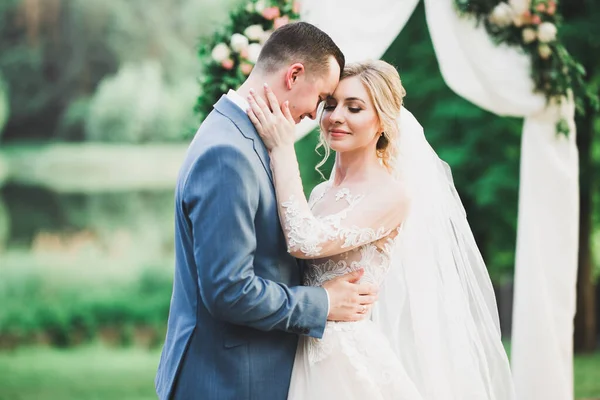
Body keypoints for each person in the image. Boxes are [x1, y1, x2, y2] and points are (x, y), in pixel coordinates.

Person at [247, 59, 516, 399]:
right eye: (330, 105)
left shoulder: (390, 195)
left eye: (354, 108)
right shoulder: (318, 194)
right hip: (303, 345)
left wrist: (282, 148)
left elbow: (304, 241)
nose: (336, 117)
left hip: (344, 359)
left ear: (382, 123)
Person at [154, 22, 380, 400]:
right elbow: (229, 290)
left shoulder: (240, 135)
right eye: (322, 96)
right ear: (294, 75)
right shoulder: (228, 153)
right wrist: (323, 302)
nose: (315, 115)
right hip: (226, 381)